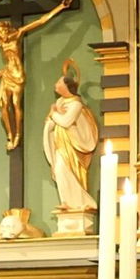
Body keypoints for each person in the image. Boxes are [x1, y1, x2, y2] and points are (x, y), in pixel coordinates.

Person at [0, 0, 74, 150]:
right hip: (7, 74)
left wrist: (60, 7)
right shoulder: (2, 40)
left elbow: (40, 21)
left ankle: (18, 134)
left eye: (2, 32)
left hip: (17, 75)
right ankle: (10, 135)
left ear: (7, 29)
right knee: (4, 106)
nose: (0, 36)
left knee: (15, 104)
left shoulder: (17, 34)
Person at [42, 67, 99, 212]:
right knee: (60, 171)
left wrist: (54, 113)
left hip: (73, 145)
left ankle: (80, 202)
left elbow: (66, 122)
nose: (55, 84)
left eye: (59, 82)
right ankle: (66, 201)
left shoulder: (76, 105)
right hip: (61, 145)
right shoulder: (61, 103)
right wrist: (52, 117)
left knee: (68, 171)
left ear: (67, 86)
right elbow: (51, 124)